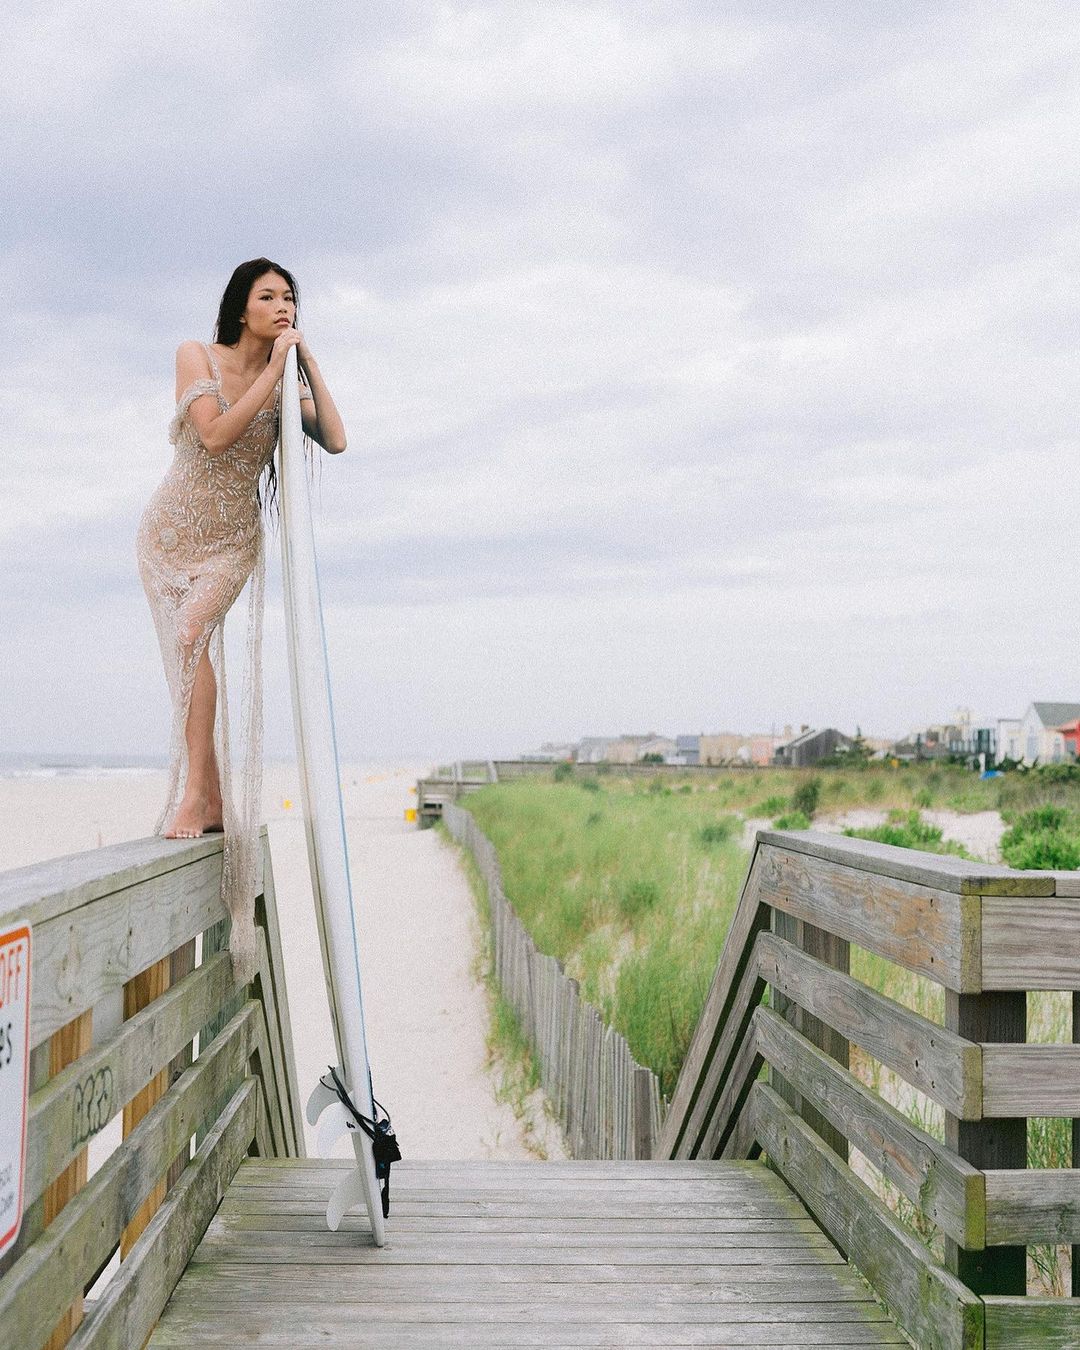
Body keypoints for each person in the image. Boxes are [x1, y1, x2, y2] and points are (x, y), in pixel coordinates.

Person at [136, 258, 346, 977]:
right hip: (170, 531)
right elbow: (216, 434)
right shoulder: (196, 355)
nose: (283, 305)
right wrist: (275, 368)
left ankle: (200, 791)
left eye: (290, 297)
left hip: (229, 541)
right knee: (184, 651)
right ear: (241, 306)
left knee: (193, 632)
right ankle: (211, 793)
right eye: (269, 296)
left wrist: (304, 361)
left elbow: (336, 438)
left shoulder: (286, 374)